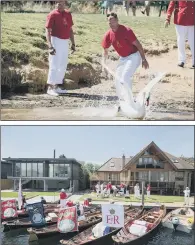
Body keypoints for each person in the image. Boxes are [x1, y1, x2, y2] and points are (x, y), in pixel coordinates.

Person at [101, 13, 149, 111]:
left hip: (134, 56)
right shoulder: (108, 34)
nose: (111, 23)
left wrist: (144, 59)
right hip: (123, 58)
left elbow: (139, 45)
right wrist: (103, 65)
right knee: (117, 80)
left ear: (117, 20)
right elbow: (105, 50)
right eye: (109, 21)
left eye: (113, 21)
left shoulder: (126, 30)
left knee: (125, 77)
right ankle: (122, 101)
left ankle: (130, 101)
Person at [45, 0, 76, 96]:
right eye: (58, 2)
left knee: (62, 64)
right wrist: (50, 45)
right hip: (55, 40)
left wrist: (73, 43)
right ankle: (50, 88)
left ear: (65, 3)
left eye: (61, 2)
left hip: (65, 41)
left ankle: (56, 87)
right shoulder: (52, 14)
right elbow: (47, 30)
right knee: (54, 63)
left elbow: (70, 29)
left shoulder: (68, 14)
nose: (59, 4)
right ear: (55, 3)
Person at [165, 1, 194, 68]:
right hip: (181, 19)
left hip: (192, 19)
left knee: (193, 41)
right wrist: (168, 18)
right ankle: (181, 60)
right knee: (180, 40)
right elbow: (171, 4)